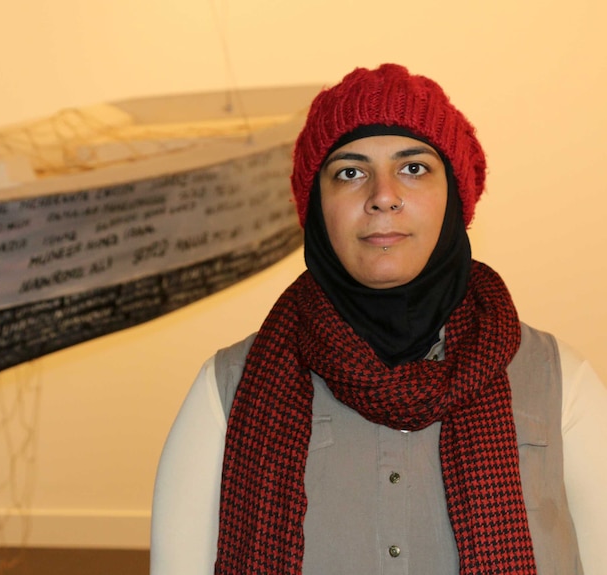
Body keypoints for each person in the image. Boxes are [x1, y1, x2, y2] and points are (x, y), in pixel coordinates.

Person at [150, 64, 607, 575]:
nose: (383, 195)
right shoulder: (226, 390)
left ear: (455, 197)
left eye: (413, 168)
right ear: (316, 206)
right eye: (350, 171)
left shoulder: (562, 382)